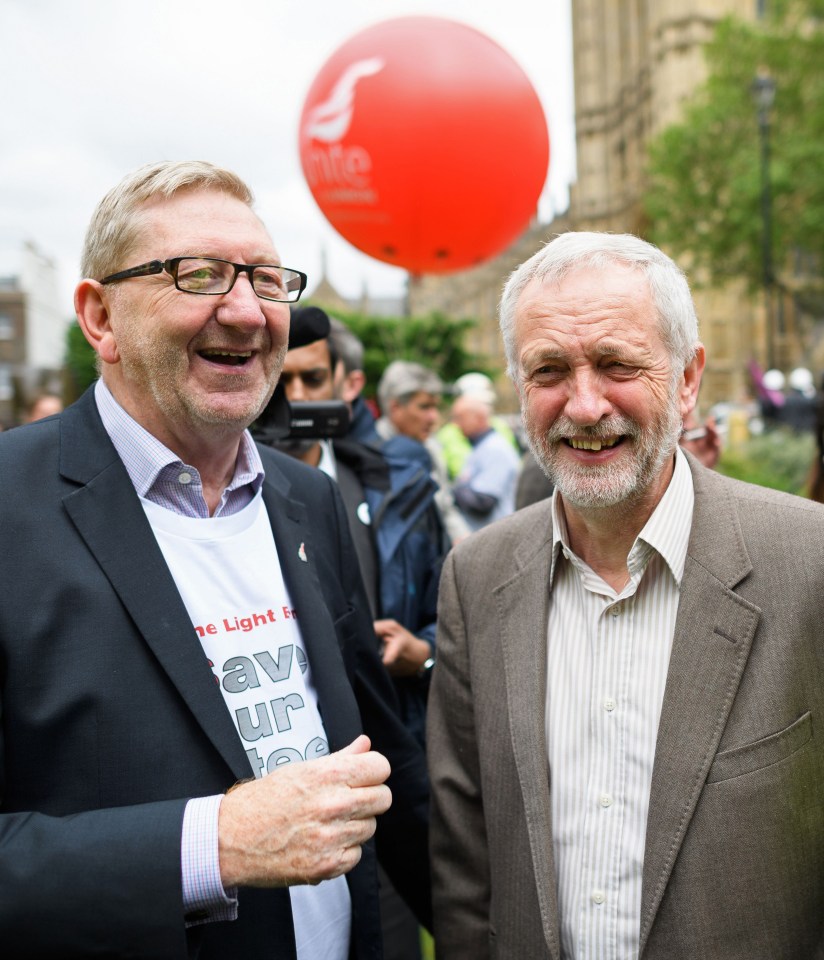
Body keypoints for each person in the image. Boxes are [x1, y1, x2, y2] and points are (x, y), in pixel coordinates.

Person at [0, 161, 431, 959]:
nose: (245, 310)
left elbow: (381, 755)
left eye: (267, 280)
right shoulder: (9, 509)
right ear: (100, 318)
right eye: (196, 275)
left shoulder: (308, 500)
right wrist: (213, 844)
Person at [427, 232, 824, 960]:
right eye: (549, 370)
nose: (583, 405)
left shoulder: (808, 562)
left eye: (616, 364)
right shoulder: (476, 579)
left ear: (686, 378)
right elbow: (465, 864)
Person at [272, 311, 447, 960]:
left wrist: (421, 656)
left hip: (385, 775)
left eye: (311, 378)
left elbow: (454, 618)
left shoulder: (401, 485)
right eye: (278, 380)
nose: (293, 399)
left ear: (348, 384)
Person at [376, 359, 470, 544]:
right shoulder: (371, 451)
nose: (433, 417)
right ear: (395, 407)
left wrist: (466, 543)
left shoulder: (432, 449)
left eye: (435, 407)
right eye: (424, 407)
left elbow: (445, 507)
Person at [450, 391, 521, 531]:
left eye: (460, 418)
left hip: (496, 539)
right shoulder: (481, 447)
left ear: (479, 418)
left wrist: (451, 491)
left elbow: (481, 503)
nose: (455, 424)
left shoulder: (494, 449)